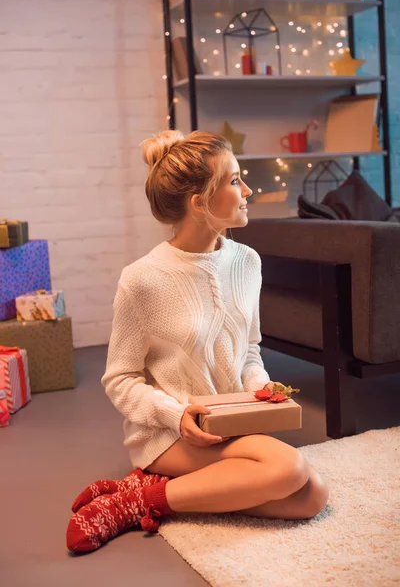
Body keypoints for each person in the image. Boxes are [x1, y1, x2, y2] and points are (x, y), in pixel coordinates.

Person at [66, 130, 329, 553]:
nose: (246, 191)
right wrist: (175, 414)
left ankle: (149, 493)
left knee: (310, 496)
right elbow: (120, 379)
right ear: (200, 202)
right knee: (289, 468)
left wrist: (258, 389)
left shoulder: (247, 261)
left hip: (232, 423)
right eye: (234, 180)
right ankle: (140, 502)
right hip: (170, 434)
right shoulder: (142, 279)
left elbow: (249, 349)